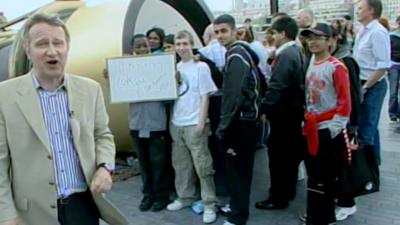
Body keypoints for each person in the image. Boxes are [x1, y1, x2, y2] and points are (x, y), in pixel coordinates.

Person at [0, 13, 127, 225]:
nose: (52, 51)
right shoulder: (5, 95)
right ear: (28, 50)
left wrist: (105, 167)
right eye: (42, 44)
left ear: (67, 47)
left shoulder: (90, 89)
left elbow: (102, 135)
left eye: (58, 43)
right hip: (32, 213)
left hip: (83, 206)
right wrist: (6, 214)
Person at [214, 14, 265, 225]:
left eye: (224, 31)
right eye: (216, 32)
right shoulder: (244, 52)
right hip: (247, 121)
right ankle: (236, 207)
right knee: (240, 170)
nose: (220, 36)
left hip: (240, 124)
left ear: (235, 31)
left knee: (238, 172)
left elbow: (232, 95)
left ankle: (237, 217)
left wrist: (223, 126)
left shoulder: (236, 56)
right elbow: (261, 80)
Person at [301, 23, 351, 225]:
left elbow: (345, 104)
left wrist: (332, 130)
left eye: (317, 37)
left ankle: (325, 217)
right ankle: (315, 214)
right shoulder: (311, 61)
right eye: (309, 37)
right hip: (310, 127)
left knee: (326, 176)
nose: (312, 41)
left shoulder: (337, 67)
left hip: (326, 129)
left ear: (330, 40)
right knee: (313, 175)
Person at [167, 30, 218, 224]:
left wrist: (201, 121)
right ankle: (185, 197)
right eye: (178, 44)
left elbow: (206, 95)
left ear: (191, 44)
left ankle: (209, 203)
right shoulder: (176, 67)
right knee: (181, 165)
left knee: (203, 166)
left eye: (184, 43)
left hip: (194, 123)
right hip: (177, 123)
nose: (181, 47)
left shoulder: (201, 67)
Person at [255, 15, 307, 210]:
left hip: (283, 115)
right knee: (289, 158)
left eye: (274, 33)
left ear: (283, 34)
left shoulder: (285, 55)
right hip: (293, 114)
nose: (272, 37)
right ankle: (287, 191)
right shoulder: (297, 51)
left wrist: (263, 109)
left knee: (278, 158)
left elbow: (277, 86)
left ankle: (278, 197)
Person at [128, 34, 171, 212]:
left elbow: (168, 94)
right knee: (144, 164)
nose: (142, 48)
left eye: (145, 45)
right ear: (133, 49)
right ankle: (148, 196)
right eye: (138, 46)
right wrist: (112, 78)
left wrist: (171, 80)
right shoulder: (126, 68)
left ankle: (162, 196)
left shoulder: (160, 66)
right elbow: (120, 92)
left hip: (156, 123)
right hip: (137, 123)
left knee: (159, 163)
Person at [329, 25, 361, 221]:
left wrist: (352, 126)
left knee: (344, 165)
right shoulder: (326, 60)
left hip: (344, 123)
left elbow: (354, 96)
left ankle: (347, 203)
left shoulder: (345, 61)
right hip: (331, 123)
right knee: (335, 165)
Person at [353, 0, 390, 165]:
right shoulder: (362, 30)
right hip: (361, 82)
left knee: (367, 129)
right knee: (369, 126)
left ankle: (365, 170)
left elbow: (383, 66)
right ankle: (373, 166)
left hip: (373, 84)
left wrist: (366, 87)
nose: (357, 11)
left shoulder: (378, 32)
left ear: (372, 10)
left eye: (361, 8)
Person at [389, 16, 400, 123]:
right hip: (393, 66)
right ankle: (392, 113)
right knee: (393, 91)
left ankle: (398, 112)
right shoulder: (391, 36)